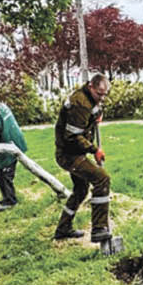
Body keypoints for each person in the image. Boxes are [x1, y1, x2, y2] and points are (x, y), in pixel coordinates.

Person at [53, 73, 119, 253]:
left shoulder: (89, 98)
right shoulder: (79, 103)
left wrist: (97, 116)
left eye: (105, 94)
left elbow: (94, 109)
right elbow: (72, 137)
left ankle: (63, 229)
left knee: (81, 190)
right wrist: (94, 150)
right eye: (100, 94)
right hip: (68, 155)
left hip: (75, 152)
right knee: (102, 178)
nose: (102, 97)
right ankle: (99, 229)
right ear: (91, 86)